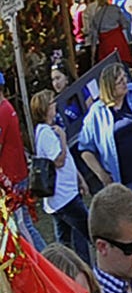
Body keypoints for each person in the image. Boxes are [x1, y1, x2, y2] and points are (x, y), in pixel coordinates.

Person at [76, 61, 132, 254]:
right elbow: (85, 149)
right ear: (109, 86)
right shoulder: (96, 114)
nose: (124, 82)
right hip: (126, 185)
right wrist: (101, 173)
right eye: (119, 81)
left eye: (124, 78)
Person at [32, 88, 88, 260]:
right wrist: (63, 138)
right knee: (88, 231)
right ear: (46, 109)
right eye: (52, 103)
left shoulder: (47, 131)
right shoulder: (47, 134)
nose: (55, 104)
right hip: (64, 196)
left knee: (67, 241)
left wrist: (79, 179)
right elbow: (59, 161)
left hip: (63, 195)